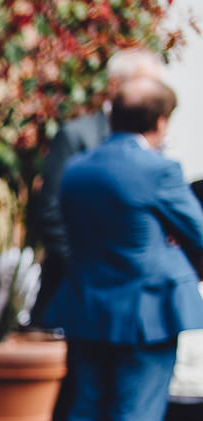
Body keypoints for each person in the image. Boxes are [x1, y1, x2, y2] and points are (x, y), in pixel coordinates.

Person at [46, 77, 202, 421]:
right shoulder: (159, 169)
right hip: (148, 312)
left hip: (89, 306)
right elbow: (197, 232)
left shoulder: (77, 169)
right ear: (159, 122)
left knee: (84, 415)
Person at [32, 47, 164, 325]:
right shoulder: (76, 136)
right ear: (114, 85)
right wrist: (92, 271)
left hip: (138, 304)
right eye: (145, 85)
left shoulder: (155, 143)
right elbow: (51, 213)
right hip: (76, 295)